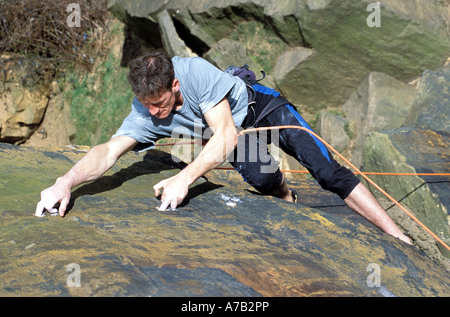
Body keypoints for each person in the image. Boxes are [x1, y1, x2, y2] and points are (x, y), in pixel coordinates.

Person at [35, 50, 411, 245]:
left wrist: (184, 178)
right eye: (145, 103)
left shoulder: (195, 73)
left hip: (258, 107)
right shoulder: (145, 108)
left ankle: (398, 236)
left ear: (176, 84)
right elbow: (107, 151)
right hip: (232, 133)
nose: (153, 111)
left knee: (326, 169)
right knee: (262, 178)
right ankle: (287, 195)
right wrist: (65, 181)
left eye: (159, 102)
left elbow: (225, 134)